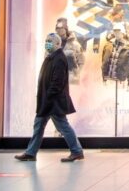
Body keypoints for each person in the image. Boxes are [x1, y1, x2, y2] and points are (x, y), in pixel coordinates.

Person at [15, 33, 84, 162]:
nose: (47, 43)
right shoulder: (51, 57)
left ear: (58, 44)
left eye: (50, 41)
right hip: (47, 101)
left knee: (62, 126)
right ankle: (31, 153)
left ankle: (77, 151)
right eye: (46, 41)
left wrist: (48, 98)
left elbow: (57, 82)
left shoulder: (59, 59)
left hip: (53, 102)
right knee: (39, 125)